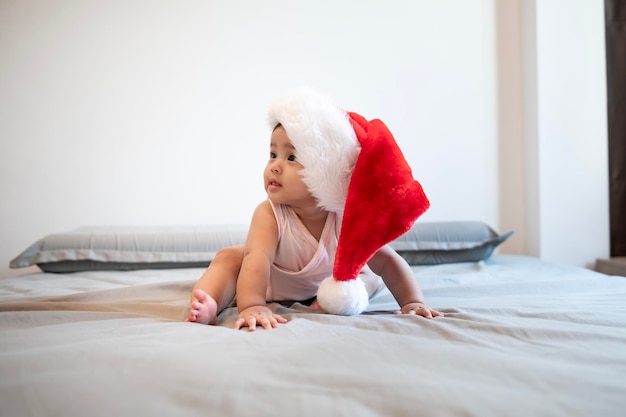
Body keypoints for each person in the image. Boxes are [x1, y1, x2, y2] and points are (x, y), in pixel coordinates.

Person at [186, 104, 443, 330]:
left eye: (292, 157)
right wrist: (252, 305)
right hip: (268, 285)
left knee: (368, 276)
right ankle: (209, 302)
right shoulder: (269, 214)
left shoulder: (345, 217)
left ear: (327, 172)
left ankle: (327, 301)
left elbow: (387, 261)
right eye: (273, 154)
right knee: (230, 257)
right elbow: (257, 259)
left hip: (324, 283)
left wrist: (412, 302)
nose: (275, 165)